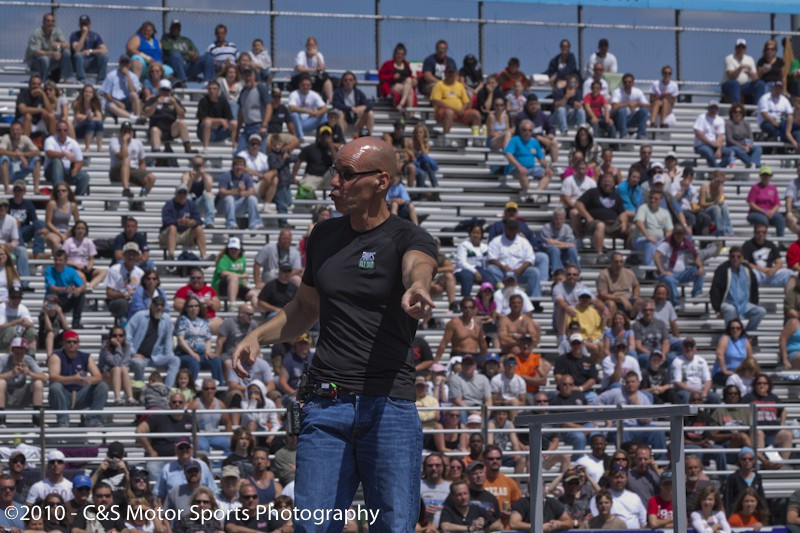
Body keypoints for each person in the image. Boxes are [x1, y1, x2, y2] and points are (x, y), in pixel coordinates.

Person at [231, 136, 436, 530]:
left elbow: (418, 266)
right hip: (326, 406)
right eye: (334, 172)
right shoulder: (323, 235)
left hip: (389, 406)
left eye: (346, 174)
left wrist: (418, 286)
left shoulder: (409, 237)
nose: (334, 183)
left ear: (381, 181)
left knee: (394, 526)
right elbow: (305, 308)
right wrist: (258, 335)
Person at [47, 330, 107, 427]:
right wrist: (73, 379)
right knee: (55, 387)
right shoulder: (56, 356)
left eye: (75, 342)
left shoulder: (86, 357)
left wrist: (89, 380)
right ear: (63, 343)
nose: (72, 344)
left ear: (78, 343)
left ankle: (92, 419)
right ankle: (63, 420)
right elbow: (53, 377)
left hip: (81, 394)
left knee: (102, 386)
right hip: (63, 395)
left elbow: (98, 376)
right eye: (68, 342)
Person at [711, 247, 765, 335]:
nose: (735, 258)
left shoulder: (747, 269)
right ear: (729, 257)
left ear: (742, 258)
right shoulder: (722, 269)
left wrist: (754, 303)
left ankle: (746, 334)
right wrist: (717, 309)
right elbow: (715, 289)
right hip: (728, 302)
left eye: (738, 256)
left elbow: (754, 288)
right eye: (733, 256)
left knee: (760, 311)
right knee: (730, 309)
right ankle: (730, 334)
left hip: (744, 304)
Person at [575, 173, 627, 259]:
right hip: (595, 223)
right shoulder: (593, 192)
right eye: (605, 181)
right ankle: (599, 255)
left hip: (612, 224)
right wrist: (588, 216)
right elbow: (578, 203)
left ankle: (628, 256)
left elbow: (622, 212)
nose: (607, 183)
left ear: (613, 183)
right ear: (600, 182)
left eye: (610, 181)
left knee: (632, 228)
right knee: (600, 225)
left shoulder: (616, 196)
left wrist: (624, 223)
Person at [653, 224, 705, 306]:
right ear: (674, 233)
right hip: (669, 273)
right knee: (670, 280)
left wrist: (700, 267)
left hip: (683, 273)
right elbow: (656, 256)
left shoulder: (686, 243)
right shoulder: (667, 244)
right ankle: (675, 303)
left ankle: (697, 294)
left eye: (681, 233)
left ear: (684, 234)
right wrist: (662, 271)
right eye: (677, 233)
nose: (679, 236)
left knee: (699, 271)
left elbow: (696, 256)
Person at [503, 119, 553, 203]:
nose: (527, 132)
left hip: (531, 168)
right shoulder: (515, 140)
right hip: (515, 168)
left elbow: (541, 158)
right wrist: (519, 167)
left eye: (530, 130)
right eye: (525, 130)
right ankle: (529, 194)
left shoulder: (535, 142)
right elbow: (508, 154)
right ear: (520, 130)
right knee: (522, 172)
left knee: (548, 173)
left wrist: (547, 167)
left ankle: (535, 195)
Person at [0, 337, 45, 426]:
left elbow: (44, 377)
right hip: (6, 393)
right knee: (1, 383)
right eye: (17, 353)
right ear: (12, 351)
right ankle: (1, 417)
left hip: (23, 394)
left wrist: (30, 373)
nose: (19, 356)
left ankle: (37, 417)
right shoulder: (3, 359)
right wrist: (12, 373)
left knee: (38, 383)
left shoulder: (28, 359)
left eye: (22, 353)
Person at [175, 297, 219, 385]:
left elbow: (207, 339)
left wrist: (207, 352)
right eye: (191, 306)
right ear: (186, 308)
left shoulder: (203, 321)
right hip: (185, 354)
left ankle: (219, 387)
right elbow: (180, 339)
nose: (193, 308)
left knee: (215, 360)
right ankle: (191, 387)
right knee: (193, 362)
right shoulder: (183, 320)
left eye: (196, 306)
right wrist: (192, 354)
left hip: (200, 354)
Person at [160, 184, 207, 261]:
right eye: (180, 192)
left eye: (184, 193)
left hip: (185, 234)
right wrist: (178, 222)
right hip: (170, 235)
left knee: (199, 228)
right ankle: (171, 256)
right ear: (176, 194)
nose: (182, 195)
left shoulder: (192, 204)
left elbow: (198, 220)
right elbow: (166, 220)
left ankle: (204, 256)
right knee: (172, 228)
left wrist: (192, 222)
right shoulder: (169, 205)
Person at [430, 65, 481, 134]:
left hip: (459, 113)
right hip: (444, 113)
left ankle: (476, 137)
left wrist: (462, 109)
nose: (451, 74)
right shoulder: (439, 84)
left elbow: (466, 102)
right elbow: (436, 101)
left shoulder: (460, 85)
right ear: (445, 73)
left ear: (456, 74)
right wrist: (453, 109)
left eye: (452, 72)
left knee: (476, 114)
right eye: (449, 72)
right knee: (449, 112)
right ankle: (446, 136)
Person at [43, 119, 89, 196]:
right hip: (51, 172)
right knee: (56, 161)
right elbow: (49, 153)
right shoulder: (50, 140)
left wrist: (75, 169)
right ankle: (58, 195)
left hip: (67, 172)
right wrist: (64, 154)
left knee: (85, 177)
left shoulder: (73, 142)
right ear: (56, 131)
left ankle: (76, 199)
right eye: (60, 130)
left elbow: (80, 160)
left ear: (68, 131)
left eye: (65, 130)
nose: (62, 132)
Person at [162, 19, 214, 86]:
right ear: (170, 28)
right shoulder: (166, 39)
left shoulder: (186, 40)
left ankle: (208, 83)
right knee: (176, 56)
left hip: (188, 65)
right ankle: (183, 82)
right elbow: (168, 50)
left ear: (180, 29)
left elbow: (196, 52)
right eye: (174, 27)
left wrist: (194, 56)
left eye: (177, 28)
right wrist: (187, 53)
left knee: (208, 57)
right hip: (175, 68)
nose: (176, 29)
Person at [104, 242, 144, 325]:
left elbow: (141, 291)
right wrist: (123, 295)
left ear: (137, 256)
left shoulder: (140, 273)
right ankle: (123, 325)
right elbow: (109, 293)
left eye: (134, 255)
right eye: (128, 254)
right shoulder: (114, 269)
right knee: (123, 303)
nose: (131, 257)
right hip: (116, 301)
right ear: (123, 255)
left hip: (133, 301)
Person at [217, 157, 262, 231]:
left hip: (239, 205)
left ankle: (254, 224)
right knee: (229, 198)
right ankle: (231, 224)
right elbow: (221, 192)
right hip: (224, 206)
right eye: (237, 165)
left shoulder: (246, 177)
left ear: (244, 167)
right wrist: (237, 191)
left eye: (241, 165)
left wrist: (245, 193)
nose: (239, 167)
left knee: (252, 198)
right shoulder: (226, 176)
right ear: (233, 167)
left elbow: (251, 191)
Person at [25, 14, 71, 83]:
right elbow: (37, 52)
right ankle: (44, 83)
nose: (50, 23)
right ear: (43, 22)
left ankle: (64, 79)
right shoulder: (37, 33)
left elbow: (67, 45)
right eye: (48, 21)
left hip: (50, 61)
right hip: (35, 62)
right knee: (45, 59)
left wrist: (59, 44)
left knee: (66, 53)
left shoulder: (57, 31)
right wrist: (52, 53)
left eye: (52, 21)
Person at [0, 121, 42, 195]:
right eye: (13, 130)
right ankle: (7, 189)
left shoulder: (25, 138)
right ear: (10, 130)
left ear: (22, 130)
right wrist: (16, 154)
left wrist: (23, 154)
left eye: (17, 129)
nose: (15, 132)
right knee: (4, 158)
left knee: (36, 159)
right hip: (10, 169)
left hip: (22, 168)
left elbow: (38, 152)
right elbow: (1, 150)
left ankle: (36, 189)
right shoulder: (6, 137)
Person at [722, 38, 765, 104]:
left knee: (760, 84)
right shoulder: (729, 58)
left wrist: (750, 73)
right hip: (729, 85)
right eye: (739, 47)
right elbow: (731, 77)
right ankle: (737, 106)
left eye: (743, 47)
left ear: (746, 49)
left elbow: (755, 78)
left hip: (744, 86)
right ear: (735, 48)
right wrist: (740, 68)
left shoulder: (750, 59)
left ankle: (758, 107)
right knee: (734, 83)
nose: (741, 49)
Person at [540, 208, 580, 275]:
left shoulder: (567, 228)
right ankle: (558, 273)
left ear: (564, 219)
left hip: (564, 252)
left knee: (572, 250)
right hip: (550, 252)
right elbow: (547, 243)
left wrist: (555, 242)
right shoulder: (547, 227)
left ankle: (576, 272)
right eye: (557, 219)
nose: (559, 221)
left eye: (561, 219)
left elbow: (572, 244)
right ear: (553, 219)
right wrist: (564, 244)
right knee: (554, 250)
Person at [747, 165, 785, 237]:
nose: (765, 177)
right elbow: (751, 203)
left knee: (780, 219)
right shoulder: (755, 187)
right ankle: (762, 239)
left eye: (767, 175)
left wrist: (771, 212)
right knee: (763, 219)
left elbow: (777, 204)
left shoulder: (773, 188)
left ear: (771, 176)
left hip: (770, 212)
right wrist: (763, 211)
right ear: (760, 176)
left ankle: (781, 240)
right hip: (756, 212)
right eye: (763, 175)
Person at [197, 81, 235, 151]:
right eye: (210, 89)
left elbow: (229, 118)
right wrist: (220, 121)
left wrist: (218, 122)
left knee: (234, 123)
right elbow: (203, 119)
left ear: (218, 90)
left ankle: (234, 148)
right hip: (205, 132)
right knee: (207, 122)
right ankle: (205, 148)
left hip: (220, 132)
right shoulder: (203, 101)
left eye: (214, 89)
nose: (212, 91)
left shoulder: (223, 101)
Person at [758, 81, 797, 149]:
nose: (778, 90)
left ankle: (781, 143)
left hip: (780, 121)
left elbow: (790, 113)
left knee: (787, 126)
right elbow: (764, 114)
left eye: (779, 89)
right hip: (766, 122)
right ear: (772, 88)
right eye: (776, 88)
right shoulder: (764, 98)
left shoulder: (784, 100)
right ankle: (775, 145)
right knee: (772, 128)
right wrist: (774, 123)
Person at [694, 100, 733, 168]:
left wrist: (719, 149)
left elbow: (720, 136)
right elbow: (698, 133)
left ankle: (716, 170)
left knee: (729, 152)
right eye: (712, 107)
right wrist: (711, 143)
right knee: (710, 153)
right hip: (701, 145)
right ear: (708, 108)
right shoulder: (701, 117)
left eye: (715, 108)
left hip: (715, 146)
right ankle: (717, 171)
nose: (714, 109)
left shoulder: (720, 120)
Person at [611, 73, 650, 139]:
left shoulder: (637, 92)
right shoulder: (617, 92)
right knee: (622, 110)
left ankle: (641, 135)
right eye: (625, 82)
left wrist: (637, 103)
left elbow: (648, 106)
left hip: (631, 119)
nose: (627, 84)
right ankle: (624, 134)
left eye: (629, 82)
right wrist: (628, 104)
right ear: (623, 83)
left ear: (633, 83)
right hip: (618, 119)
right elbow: (614, 106)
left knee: (644, 111)